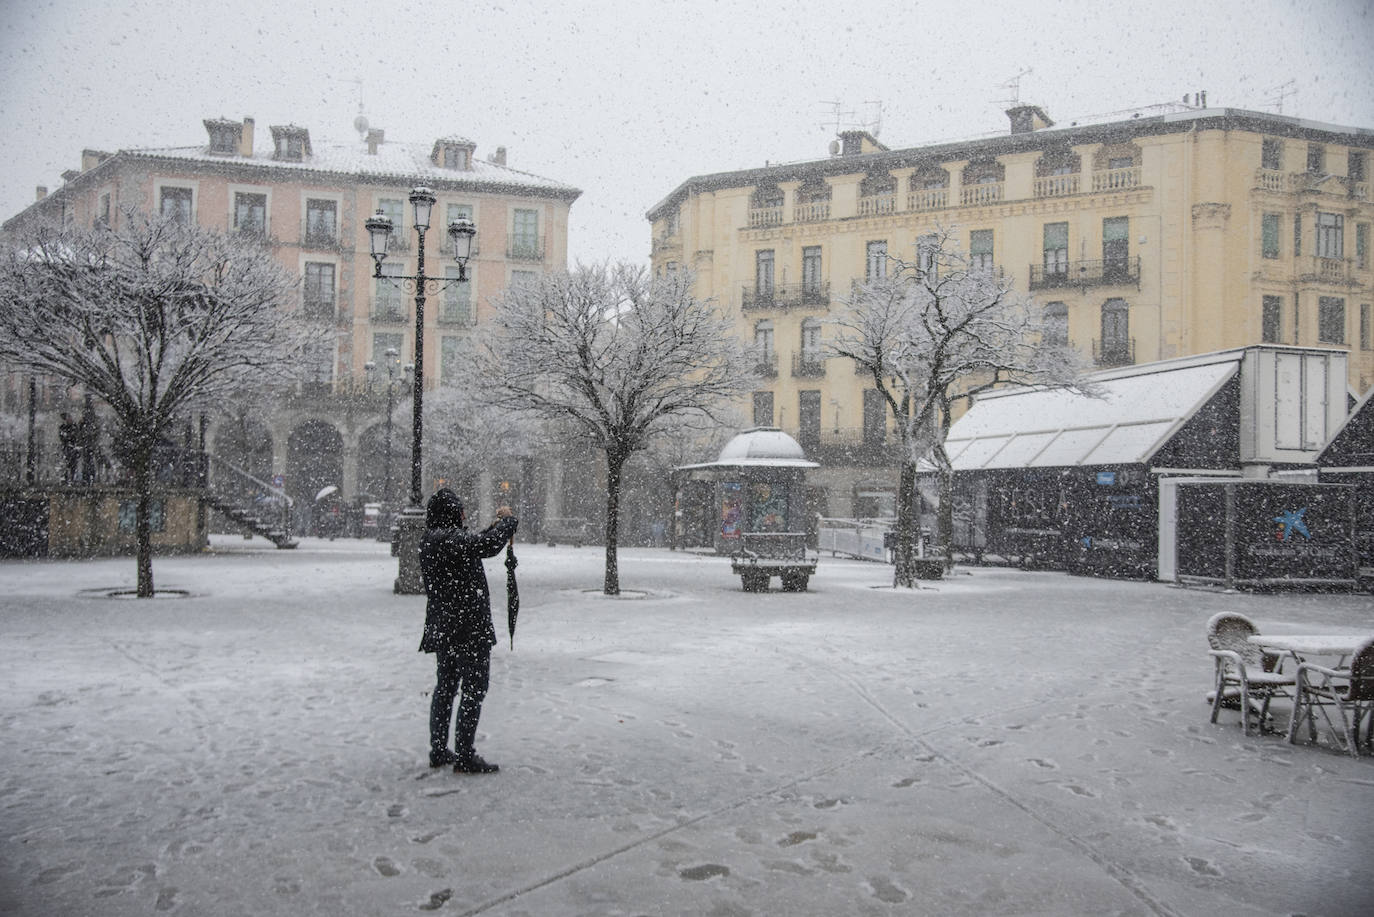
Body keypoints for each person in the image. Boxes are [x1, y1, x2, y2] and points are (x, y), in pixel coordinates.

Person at [418, 489, 517, 773]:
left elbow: (475, 542)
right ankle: (464, 755)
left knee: (446, 688)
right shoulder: (449, 540)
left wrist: (495, 528)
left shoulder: (431, 540)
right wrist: (508, 524)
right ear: (450, 513)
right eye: (459, 510)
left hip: (445, 627)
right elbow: (485, 546)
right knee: (473, 690)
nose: (463, 515)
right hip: (468, 628)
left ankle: (438, 749)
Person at [58, 413, 80, 484]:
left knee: (72, 464)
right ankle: (66, 479)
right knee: (66, 464)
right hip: (67, 448)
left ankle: (72, 479)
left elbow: (75, 436)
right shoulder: (63, 427)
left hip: (72, 448)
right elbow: (63, 437)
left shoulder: (73, 427)